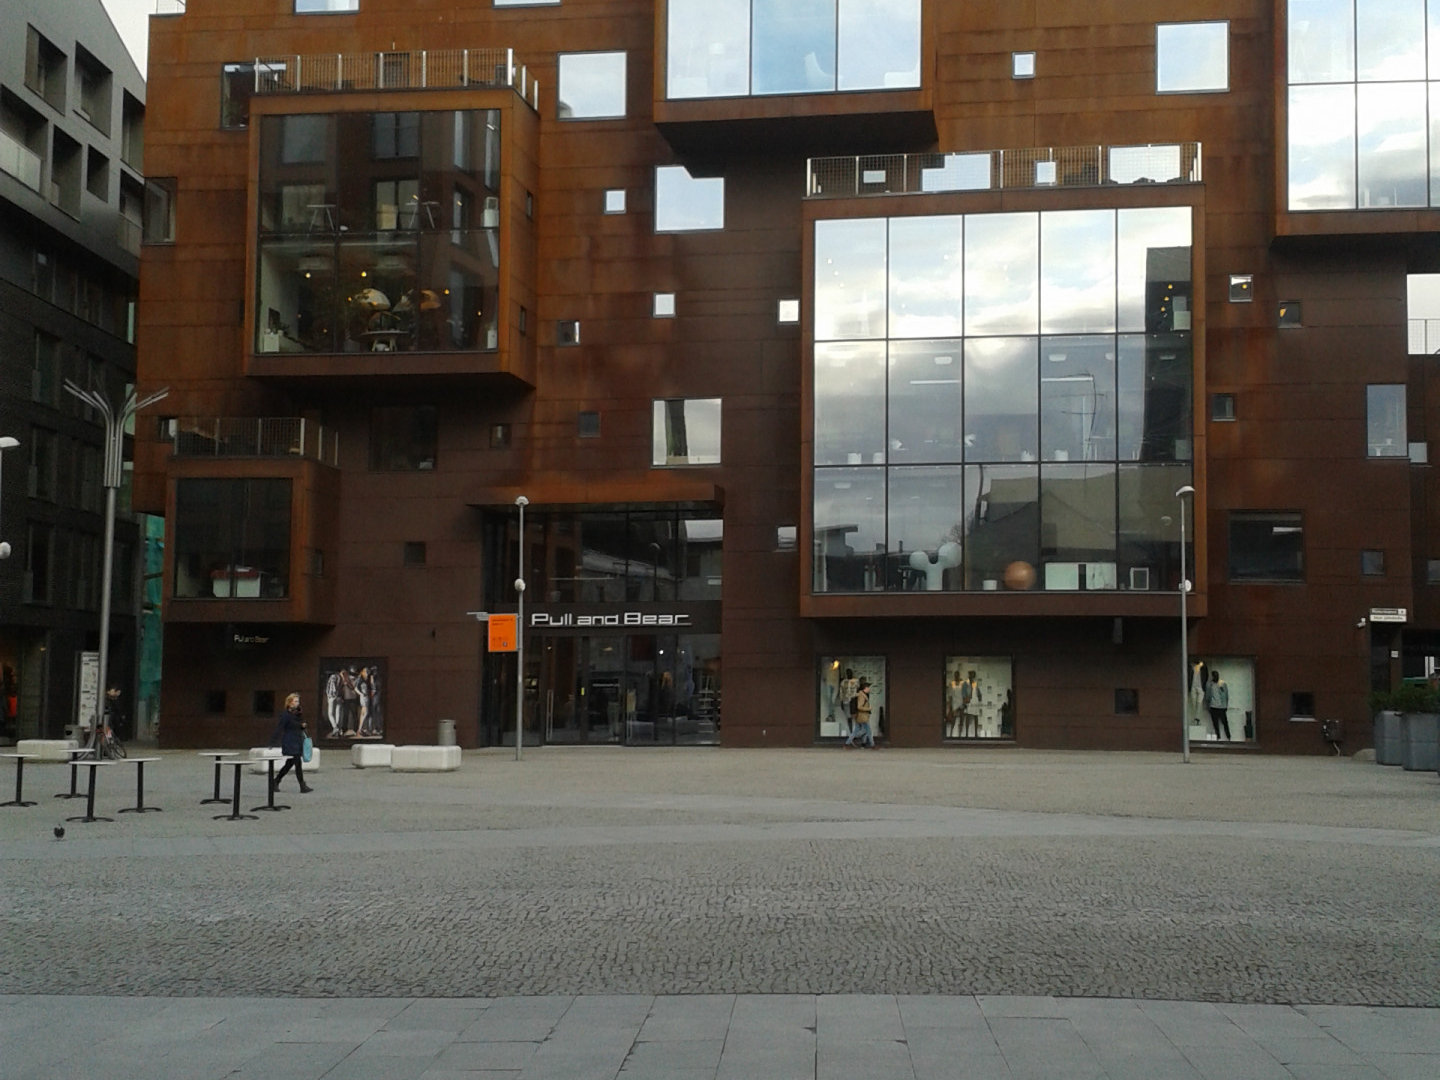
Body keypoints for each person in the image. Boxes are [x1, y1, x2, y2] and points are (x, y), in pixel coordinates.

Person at [269, 693, 313, 793]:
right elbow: (280, 728)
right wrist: (272, 741)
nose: (298, 703)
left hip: (297, 741)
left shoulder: (298, 714)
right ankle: (302, 785)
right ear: (290, 703)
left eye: (298, 701)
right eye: (295, 701)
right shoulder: (286, 715)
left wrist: (302, 725)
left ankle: (276, 781)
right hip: (290, 742)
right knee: (298, 763)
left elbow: (298, 725)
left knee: (289, 764)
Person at [1204, 669, 1231, 740]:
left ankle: (1228, 737)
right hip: (1213, 706)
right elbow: (1207, 696)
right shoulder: (1209, 685)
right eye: (1215, 676)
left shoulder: (1223, 684)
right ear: (1212, 677)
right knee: (1215, 723)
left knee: (1225, 723)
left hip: (1222, 707)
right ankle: (1218, 737)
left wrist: (1226, 706)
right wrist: (1208, 706)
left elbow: (1226, 695)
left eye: (1217, 676)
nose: (1216, 677)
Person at [849, 678, 875, 748]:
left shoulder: (863, 693)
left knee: (861, 729)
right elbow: (856, 705)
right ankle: (855, 738)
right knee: (866, 729)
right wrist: (868, 709)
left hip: (862, 713)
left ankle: (863, 742)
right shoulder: (860, 694)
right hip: (860, 714)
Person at [838, 667, 858, 744]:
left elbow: (857, 690)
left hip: (853, 700)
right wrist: (841, 701)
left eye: (850, 673)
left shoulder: (855, 681)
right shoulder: (843, 682)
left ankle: (854, 734)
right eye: (847, 673)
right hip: (846, 701)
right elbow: (841, 692)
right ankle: (850, 733)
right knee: (848, 717)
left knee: (854, 717)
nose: (849, 674)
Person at [961, 670, 982, 738]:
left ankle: (976, 734)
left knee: (976, 717)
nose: (972, 676)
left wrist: (980, 696)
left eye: (973, 675)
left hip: (975, 700)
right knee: (968, 716)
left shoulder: (975, 683)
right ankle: (966, 734)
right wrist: (964, 701)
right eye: (971, 674)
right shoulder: (965, 683)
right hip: (969, 701)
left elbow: (978, 691)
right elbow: (963, 693)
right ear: (969, 675)